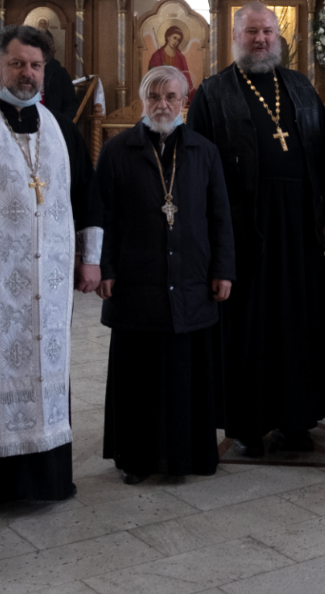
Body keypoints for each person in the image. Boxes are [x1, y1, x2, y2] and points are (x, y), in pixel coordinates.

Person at [0, 26, 103, 522]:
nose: (26, 74)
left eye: (35, 65)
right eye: (16, 64)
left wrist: (90, 258)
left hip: (48, 285)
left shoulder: (62, 130)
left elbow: (87, 196)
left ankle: (43, 480)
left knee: (45, 371)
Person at [186, 2, 325, 456]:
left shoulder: (300, 86)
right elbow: (199, 168)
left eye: (268, 32)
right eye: (252, 32)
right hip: (243, 226)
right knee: (248, 326)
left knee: (297, 322)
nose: (261, 40)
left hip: (299, 225)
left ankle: (297, 419)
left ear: (278, 37)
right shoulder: (214, 92)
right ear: (235, 36)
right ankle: (247, 424)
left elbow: (324, 157)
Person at [96, 65, 235, 480]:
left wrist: (223, 269)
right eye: (154, 97)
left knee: (184, 373)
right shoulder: (116, 151)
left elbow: (220, 217)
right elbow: (103, 217)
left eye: (171, 97)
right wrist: (104, 268)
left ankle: (187, 458)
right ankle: (137, 459)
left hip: (191, 278)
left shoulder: (204, 151)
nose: (162, 104)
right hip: (136, 281)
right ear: (142, 101)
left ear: (184, 101)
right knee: (139, 374)